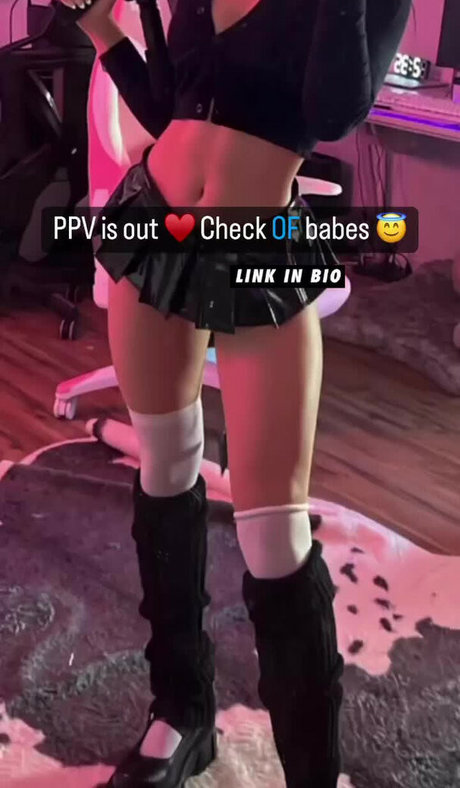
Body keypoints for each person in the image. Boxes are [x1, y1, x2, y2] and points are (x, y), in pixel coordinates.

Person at [55, 1, 411, 786]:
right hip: (155, 226)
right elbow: (175, 109)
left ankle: (312, 774)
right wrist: (101, 28)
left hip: (262, 249)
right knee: (164, 468)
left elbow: (334, 113)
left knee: (274, 535)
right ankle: (180, 713)